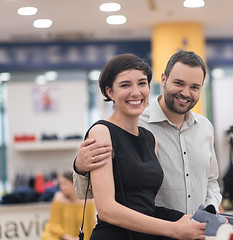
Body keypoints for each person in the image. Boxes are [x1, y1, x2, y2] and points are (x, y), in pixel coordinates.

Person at [73, 50, 222, 215]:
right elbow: (87, 194)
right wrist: (80, 168)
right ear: (163, 79)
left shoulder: (205, 128)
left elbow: (211, 180)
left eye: (194, 87)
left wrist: (211, 209)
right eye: (179, 83)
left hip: (197, 232)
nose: (186, 93)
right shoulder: (135, 126)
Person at [41, 171, 95, 240]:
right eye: (60, 184)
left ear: (74, 184)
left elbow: (90, 225)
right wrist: (69, 238)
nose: (61, 187)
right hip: (60, 236)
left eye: (65, 184)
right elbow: (54, 224)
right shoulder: (58, 198)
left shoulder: (88, 202)